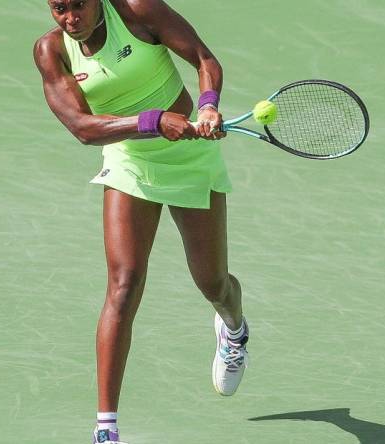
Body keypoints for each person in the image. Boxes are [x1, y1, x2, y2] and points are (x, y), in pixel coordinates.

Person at [33, 0, 249, 442]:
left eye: (77, 6)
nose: (70, 18)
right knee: (123, 283)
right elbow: (83, 127)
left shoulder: (136, 10)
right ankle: (105, 430)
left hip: (190, 157)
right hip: (131, 162)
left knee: (213, 284)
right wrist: (152, 121)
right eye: (59, 9)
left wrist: (206, 105)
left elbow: (204, 59)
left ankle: (234, 328)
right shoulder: (51, 51)